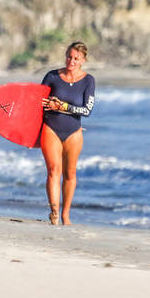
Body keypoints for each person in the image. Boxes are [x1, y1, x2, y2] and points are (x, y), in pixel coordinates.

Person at [40, 41, 95, 225]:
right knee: (54, 170)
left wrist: (62, 106)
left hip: (73, 132)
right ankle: (54, 212)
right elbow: (37, 103)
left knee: (70, 173)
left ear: (83, 60)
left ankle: (66, 214)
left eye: (76, 58)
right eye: (69, 56)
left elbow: (87, 110)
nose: (71, 61)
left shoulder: (88, 81)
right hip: (51, 128)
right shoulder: (52, 76)